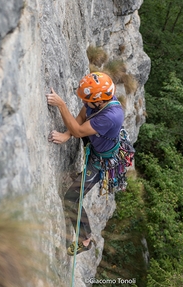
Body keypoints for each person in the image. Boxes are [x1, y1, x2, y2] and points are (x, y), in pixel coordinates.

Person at [46, 72, 124, 256]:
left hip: (101, 161)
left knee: (71, 198)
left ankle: (85, 240)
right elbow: (83, 116)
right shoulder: (98, 101)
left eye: (87, 100)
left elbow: (80, 130)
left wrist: (62, 105)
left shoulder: (111, 116)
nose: (84, 102)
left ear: (99, 101)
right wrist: (67, 134)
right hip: (95, 143)